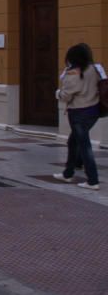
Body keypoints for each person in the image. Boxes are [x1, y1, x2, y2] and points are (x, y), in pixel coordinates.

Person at [54, 43, 100, 190]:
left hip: (79, 113)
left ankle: (92, 181)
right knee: (73, 142)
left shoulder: (74, 72)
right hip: (93, 111)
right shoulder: (94, 69)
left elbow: (66, 95)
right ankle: (68, 173)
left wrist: (58, 94)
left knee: (85, 146)